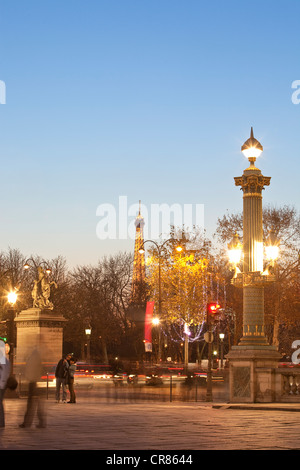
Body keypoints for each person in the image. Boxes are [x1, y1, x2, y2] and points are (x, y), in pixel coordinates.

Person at [19, 348, 46, 428]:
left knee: (31, 405)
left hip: (33, 383)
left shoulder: (33, 359)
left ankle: (27, 423)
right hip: (36, 382)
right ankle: (41, 422)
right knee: (38, 405)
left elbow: (30, 372)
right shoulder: (38, 359)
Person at [0, 339, 10, 428]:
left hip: (1, 385)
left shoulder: (3, 359)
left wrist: (2, 384)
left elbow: (4, 373)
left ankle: (1, 422)